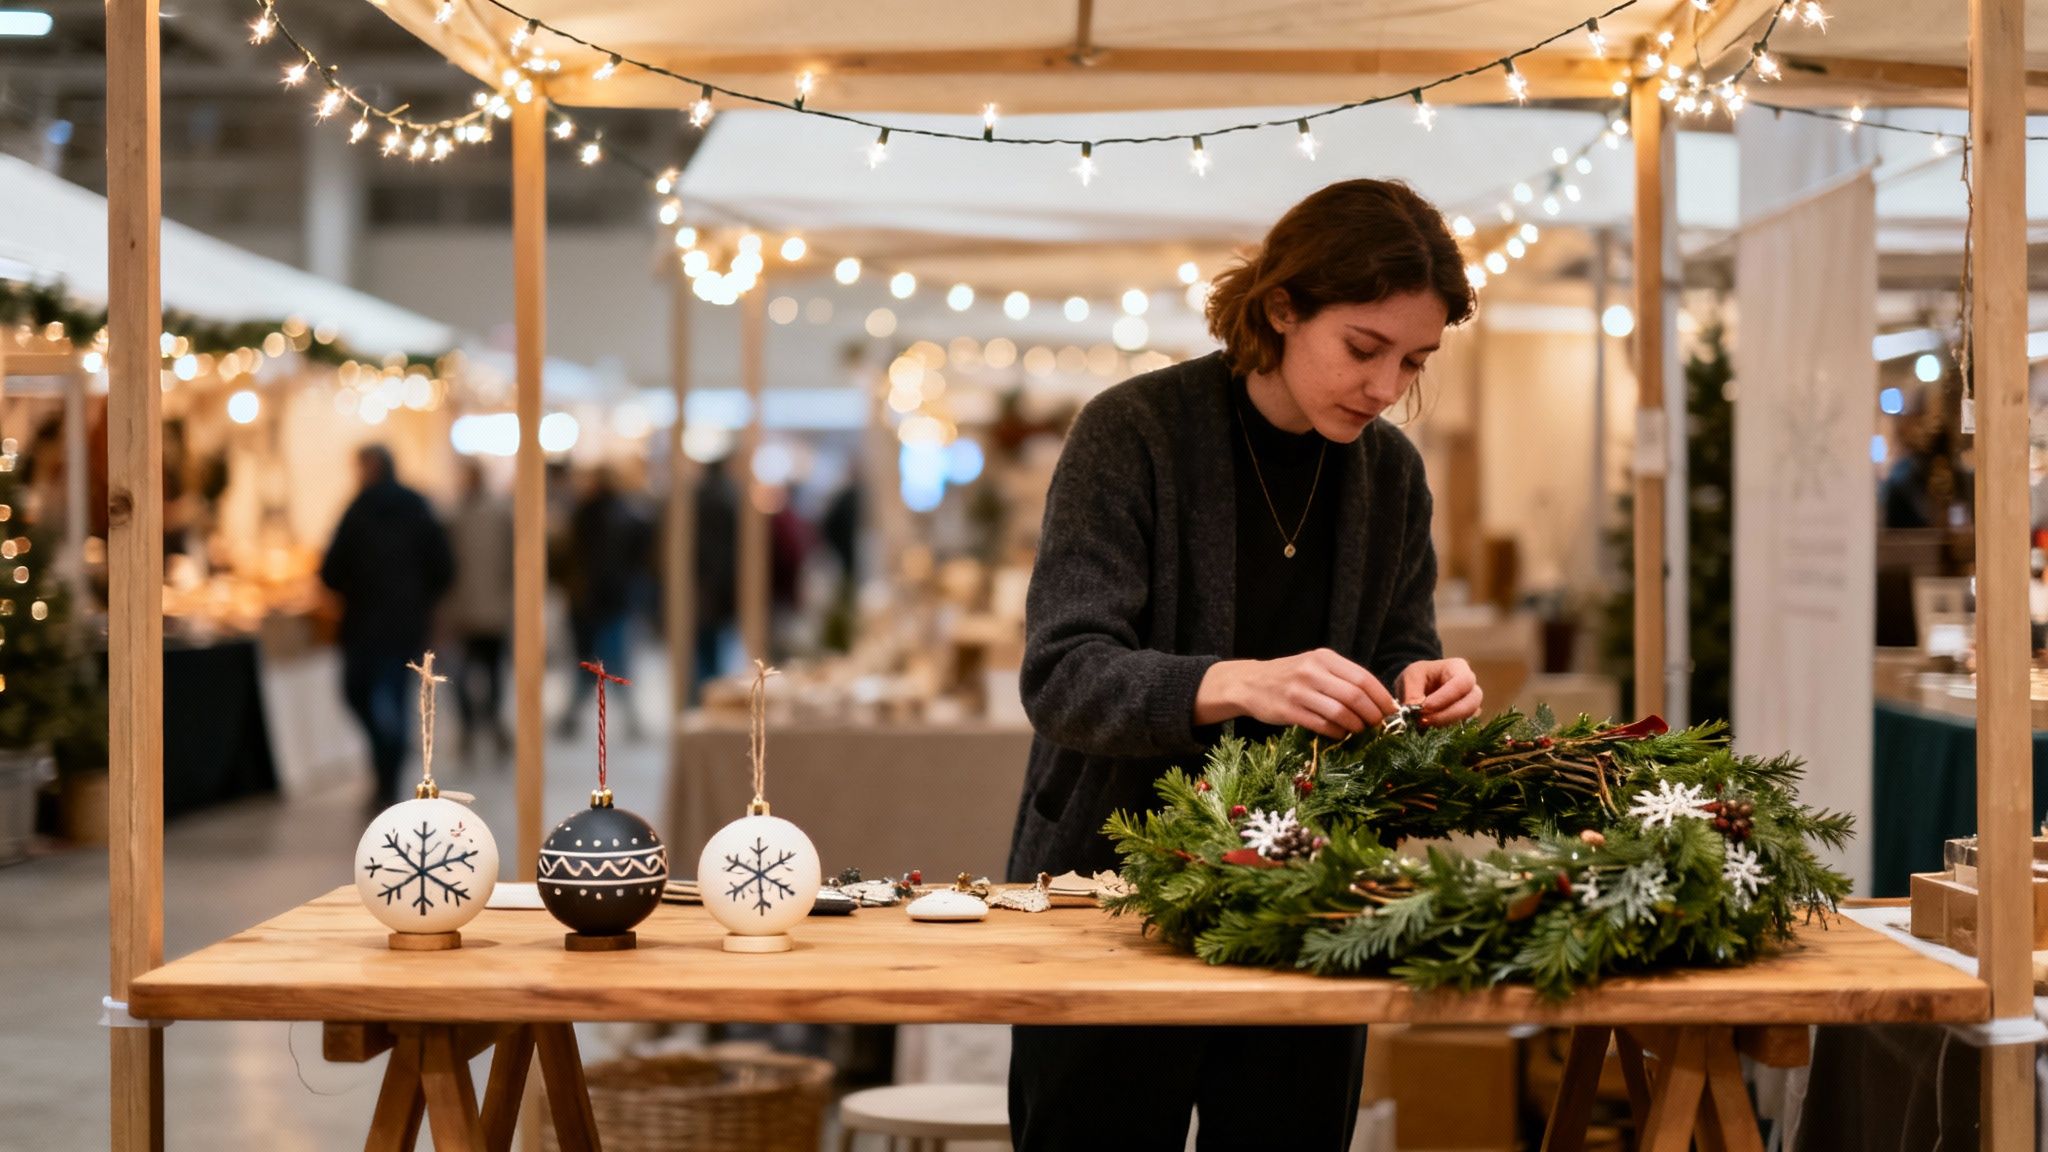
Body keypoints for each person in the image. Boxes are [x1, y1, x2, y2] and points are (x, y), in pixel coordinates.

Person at [1005, 179, 1485, 1152]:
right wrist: (1232, 681)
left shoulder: (1390, 475)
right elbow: (1061, 675)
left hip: (1307, 903)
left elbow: (1398, 647)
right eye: (1363, 348)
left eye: (1413, 361)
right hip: (1113, 890)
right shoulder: (1132, 432)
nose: (1386, 387)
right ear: (1280, 306)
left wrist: (1421, 686)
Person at [321, 444, 453, 807]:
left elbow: (330, 571)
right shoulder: (418, 506)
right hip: (405, 624)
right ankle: (390, 759)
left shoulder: (358, 509)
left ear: (372, 467)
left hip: (364, 623)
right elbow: (443, 567)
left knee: (358, 693)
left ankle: (388, 763)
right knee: (392, 697)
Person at [557, 465, 650, 736]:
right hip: (611, 600)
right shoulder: (625, 514)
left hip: (592, 601)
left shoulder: (586, 516)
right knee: (610, 662)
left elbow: (572, 559)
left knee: (593, 662)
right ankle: (628, 719)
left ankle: (573, 716)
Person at [445, 460, 514, 758]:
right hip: (464, 611)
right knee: (461, 675)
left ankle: (488, 722)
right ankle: (473, 725)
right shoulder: (453, 516)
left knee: (491, 673)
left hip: (490, 610)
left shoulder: (497, 513)